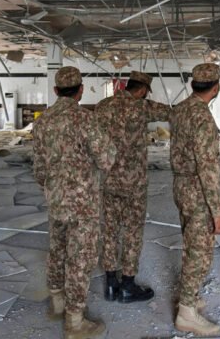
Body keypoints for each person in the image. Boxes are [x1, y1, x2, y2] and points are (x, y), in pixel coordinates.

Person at [33, 66, 116, 339]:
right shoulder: (86, 119)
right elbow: (106, 159)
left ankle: (57, 303)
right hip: (83, 202)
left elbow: (39, 170)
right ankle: (75, 322)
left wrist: (54, 187)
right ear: (80, 91)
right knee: (80, 257)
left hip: (56, 199)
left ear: (56, 91)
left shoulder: (42, 121)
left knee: (57, 249)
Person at [95, 71, 170, 303]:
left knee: (109, 230)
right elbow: (172, 112)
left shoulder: (103, 106)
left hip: (108, 180)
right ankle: (127, 285)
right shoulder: (143, 107)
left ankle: (110, 284)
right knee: (132, 232)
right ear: (143, 90)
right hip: (134, 183)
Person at [169, 63, 220, 336]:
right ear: (215, 87)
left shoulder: (180, 109)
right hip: (197, 190)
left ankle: (189, 295)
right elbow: (207, 167)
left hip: (181, 185)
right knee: (199, 250)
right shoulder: (202, 118)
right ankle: (186, 313)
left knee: (191, 242)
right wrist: (217, 212)